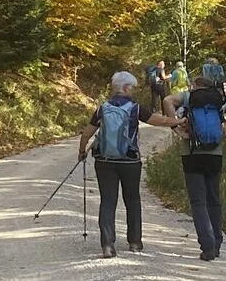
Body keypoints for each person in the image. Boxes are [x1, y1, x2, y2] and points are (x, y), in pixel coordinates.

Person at [78, 71, 185, 259]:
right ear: (126, 87)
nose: (133, 90)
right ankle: (134, 242)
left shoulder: (102, 108)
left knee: (108, 201)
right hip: (130, 161)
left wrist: (82, 152)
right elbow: (158, 120)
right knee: (133, 200)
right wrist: (177, 121)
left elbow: (87, 133)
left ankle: (108, 245)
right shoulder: (135, 108)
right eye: (132, 87)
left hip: (104, 161)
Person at [165, 77, 226, 261]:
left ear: (195, 86)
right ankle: (217, 243)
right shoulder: (219, 99)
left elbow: (167, 101)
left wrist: (176, 127)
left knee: (198, 201)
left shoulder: (188, 97)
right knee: (213, 198)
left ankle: (208, 246)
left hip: (191, 154)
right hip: (215, 154)